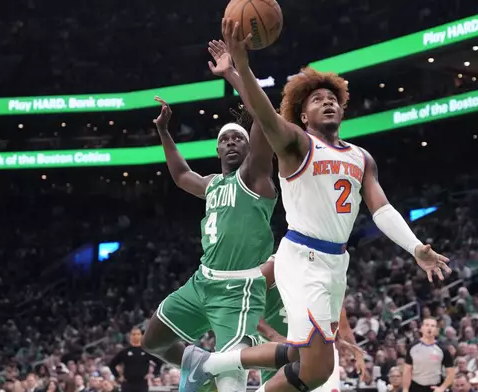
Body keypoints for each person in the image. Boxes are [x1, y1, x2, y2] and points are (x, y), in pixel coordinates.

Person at [178, 19, 450, 392]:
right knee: (314, 363)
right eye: (317, 99)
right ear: (303, 116)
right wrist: (240, 67)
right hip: (302, 257)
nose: (328, 102)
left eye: (333, 98)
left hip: (336, 262)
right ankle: (209, 364)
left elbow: (382, 209)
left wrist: (415, 247)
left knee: (314, 369)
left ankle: (206, 363)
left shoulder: (361, 157)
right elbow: (263, 113)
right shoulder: (295, 143)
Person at [140, 38, 276, 392]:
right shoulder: (213, 183)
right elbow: (182, 176)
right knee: (152, 341)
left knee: (232, 379)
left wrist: (232, 72)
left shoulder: (256, 178)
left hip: (239, 288)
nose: (232, 142)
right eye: (226, 139)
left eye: (238, 138)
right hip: (203, 282)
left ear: (249, 148)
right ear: (217, 148)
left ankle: (218, 376)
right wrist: (165, 133)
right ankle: (200, 365)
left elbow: (263, 115)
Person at [257, 256, 368, 392]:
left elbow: (333, 314)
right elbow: (244, 307)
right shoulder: (274, 266)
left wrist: (338, 339)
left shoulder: (324, 269)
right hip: (277, 349)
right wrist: (274, 336)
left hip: (311, 349)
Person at [402, 318, 455, 392]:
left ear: (436, 330)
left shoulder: (443, 349)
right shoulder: (412, 347)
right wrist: (405, 389)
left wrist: (442, 388)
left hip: (435, 387)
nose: (429, 328)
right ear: (421, 328)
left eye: (433, 326)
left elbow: (451, 373)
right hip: (415, 387)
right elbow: (407, 371)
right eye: (427, 325)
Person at [109, 328, 161, 392]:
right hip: (127, 383)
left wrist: (154, 374)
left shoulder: (147, 351)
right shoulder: (124, 352)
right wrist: (118, 376)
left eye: (138, 334)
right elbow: (112, 364)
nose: (135, 336)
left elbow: (159, 362)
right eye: (133, 334)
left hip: (142, 383)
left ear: (141, 336)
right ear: (130, 336)